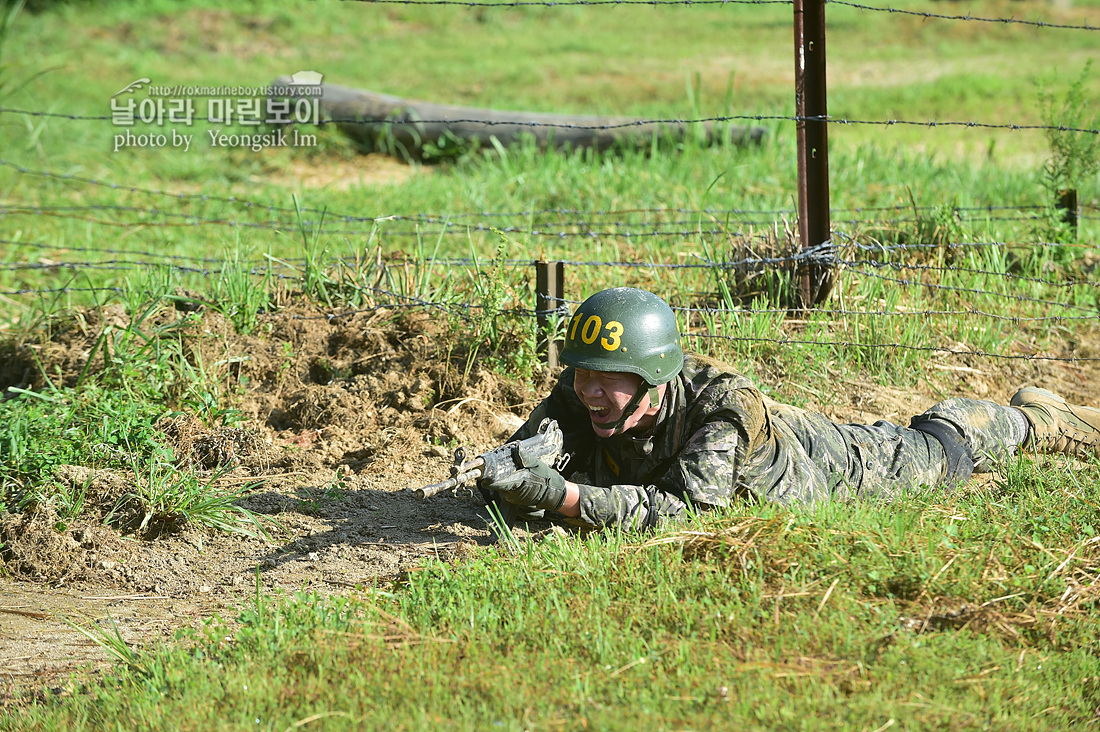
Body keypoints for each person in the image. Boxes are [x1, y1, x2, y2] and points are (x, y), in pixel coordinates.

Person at [480, 287, 1100, 530]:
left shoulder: (723, 410)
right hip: (796, 439)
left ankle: (1037, 418)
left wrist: (559, 498)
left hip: (841, 470)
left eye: (609, 380)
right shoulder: (577, 395)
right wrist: (507, 473)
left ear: (654, 379)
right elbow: (527, 462)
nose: (589, 391)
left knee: (943, 450)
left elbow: (685, 512)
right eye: (582, 373)